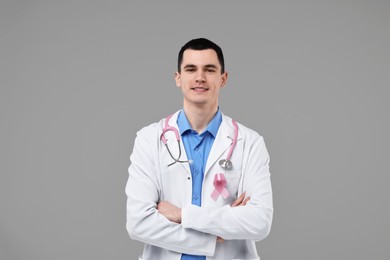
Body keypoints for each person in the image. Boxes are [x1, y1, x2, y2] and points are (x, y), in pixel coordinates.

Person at [126, 38, 273, 260]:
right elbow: (138, 223)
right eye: (191, 69)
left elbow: (259, 222)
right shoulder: (149, 139)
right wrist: (214, 236)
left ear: (223, 78)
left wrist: (180, 215)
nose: (200, 78)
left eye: (210, 70)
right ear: (178, 78)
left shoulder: (250, 142)